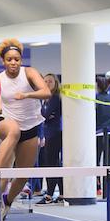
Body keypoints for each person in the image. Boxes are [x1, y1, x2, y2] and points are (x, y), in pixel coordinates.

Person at [0, 39, 51, 221]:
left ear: (21, 60)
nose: (13, 63)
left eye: (16, 59)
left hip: (31, 127)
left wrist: (27, 94)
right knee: (14, 131)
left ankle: (7, 200)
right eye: (9, 59)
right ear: (3, 61)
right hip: (7, 122)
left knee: (23, 174)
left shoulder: (29, 73)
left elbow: (46, 92)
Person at [37, 73, 64, 204]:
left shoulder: (54, 98)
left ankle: (49, 194)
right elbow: (45, 115)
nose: (47, 83)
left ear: (55, 84)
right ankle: (60, 193)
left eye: (50, 82)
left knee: (52, 163)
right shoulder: (46, 98)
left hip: (54, 133)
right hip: (48, 132)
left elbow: (44, 115)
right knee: (54, 163)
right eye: (45, 81)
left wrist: (45, 114)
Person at [95, 77, 110, 197]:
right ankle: (108, 192)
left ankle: (98, 188)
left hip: (99, 133)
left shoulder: (95, 99)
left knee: (96, 161)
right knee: (109, 163)